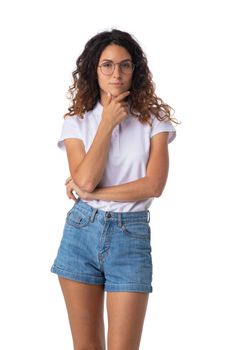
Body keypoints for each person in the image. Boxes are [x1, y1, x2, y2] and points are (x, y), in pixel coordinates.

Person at [50, 28, 179, 350]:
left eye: (125, 65)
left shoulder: (154, 121)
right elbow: (86, 180)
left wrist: (93, 193)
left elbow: (153, 186)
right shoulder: (77, 122)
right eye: (107, 65)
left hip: (130, 235)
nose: (116, 73)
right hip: (81, 232)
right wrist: (107, 122)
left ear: (136, 70)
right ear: (94, 70)